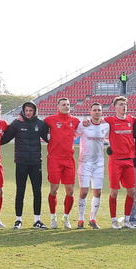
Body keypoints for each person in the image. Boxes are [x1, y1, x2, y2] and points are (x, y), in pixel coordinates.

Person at [1, 101, 49, 229]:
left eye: (30, 111)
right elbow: (4, 139)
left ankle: (37, 220)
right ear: (23, 111)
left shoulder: (41, 124)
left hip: (35, 162)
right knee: (20, 191)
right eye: (26, 110)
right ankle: (18, 220)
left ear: (34, 111)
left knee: (37, 191)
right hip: (21, 162)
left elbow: (50, 138)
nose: (28, 113)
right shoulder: (17, 123)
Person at [43, 97, 80, 229]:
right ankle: (53, 217)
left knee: (70, 191)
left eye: (68, 104)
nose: (66, 106)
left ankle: (66, 217)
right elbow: (37, 125)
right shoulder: (50, 120)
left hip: (69, 159)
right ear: (57, 107)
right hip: (54, 159)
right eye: (63, 104)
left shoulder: (75, 121)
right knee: (54, 189)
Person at [104, 96, 136, 229]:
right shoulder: (110, 120)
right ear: (115, 107)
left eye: (125, 104)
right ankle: (113, 220)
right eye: (121, 104)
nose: (124, 106)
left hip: (129, 160)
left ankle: (127, 220)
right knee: (114, 192)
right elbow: (96, 121)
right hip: (115, 161)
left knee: (132, 192)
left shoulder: (131, 119)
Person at [75, 103, 109, 229]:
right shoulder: (83, 125)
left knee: (98, 192)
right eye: (94, 110)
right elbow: (73, 135)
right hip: (84, 163)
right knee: (83, 192)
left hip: (99, 164)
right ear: (90, 112)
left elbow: (112, 139)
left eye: (99, 110)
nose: (97, 112)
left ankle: (93, 219)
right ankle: (80, 219)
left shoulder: (106, 126)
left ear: (101, 112)